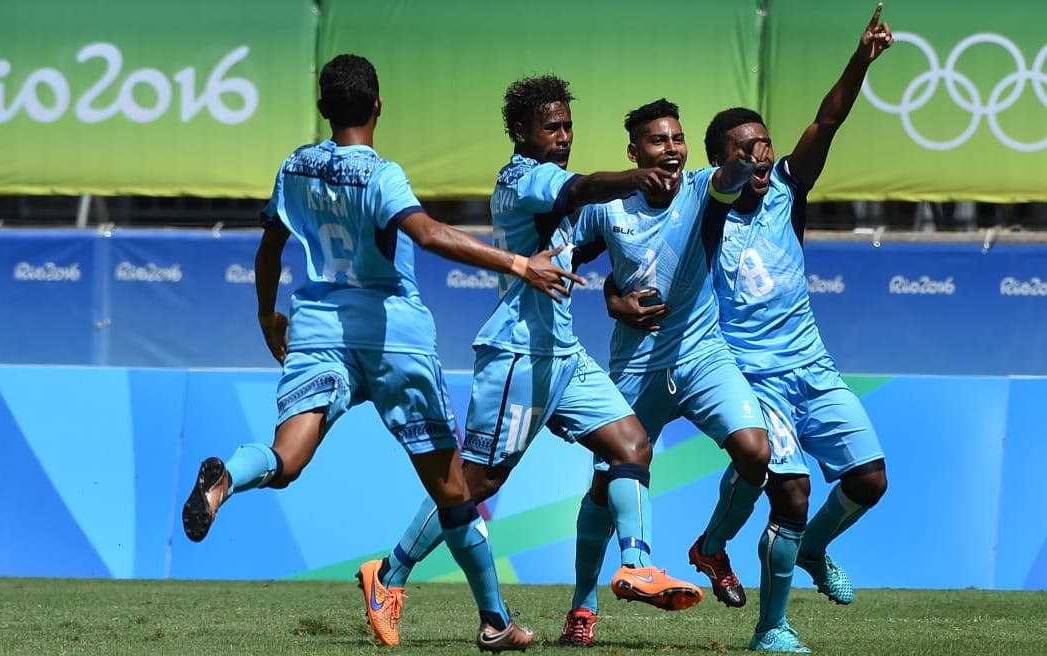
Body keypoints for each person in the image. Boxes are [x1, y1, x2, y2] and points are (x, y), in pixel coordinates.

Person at [180, 53, 588, 652]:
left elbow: (269, 250)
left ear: (323, 108)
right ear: (377, 106)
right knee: (453, 488)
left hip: (319, 329)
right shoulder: (381, 174)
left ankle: (224, 483)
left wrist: (267, 314)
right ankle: (495, 622)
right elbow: (427, 233)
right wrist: (517, 262)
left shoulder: (294, 166)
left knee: (286, 459)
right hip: (394, 337)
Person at [357, 74, 703, 648]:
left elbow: (588, 227)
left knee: (633, 445)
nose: (564, 136)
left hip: (563, 355)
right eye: (552, 127)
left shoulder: (553, 179)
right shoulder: (526, 178)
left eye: (569, 126)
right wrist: (637, 177)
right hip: (519, 355)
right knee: (470, 484)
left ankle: (637, 564)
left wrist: (618, 286)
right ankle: (387, 574)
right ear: (520, 131)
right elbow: (583, 188)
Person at [610, 6, 894, 652]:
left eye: (764, 145)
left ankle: (806, 550)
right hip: (751, 375)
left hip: (813, 369)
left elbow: (828, 119)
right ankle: (772, 628)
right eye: (746, 150)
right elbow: (632, 254)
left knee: (868, 481)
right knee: (790, 490)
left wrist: (862, 58)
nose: (761, 156)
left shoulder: (790, 190)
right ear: (719, 162)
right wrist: (616, 302)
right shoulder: (701, 212)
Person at [558, 98, 773, 647]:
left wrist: (744, 160)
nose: (671, 149)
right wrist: (613, 301)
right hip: (636, 366)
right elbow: (560, 262)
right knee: (606, 489)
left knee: (756, 451)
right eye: (658, 141)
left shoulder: (704, 190)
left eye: (676, 139)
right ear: (634, 152)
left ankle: (711, 546)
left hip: (702, 354)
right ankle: (583, 604)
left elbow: (728, 179)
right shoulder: (607, 209)